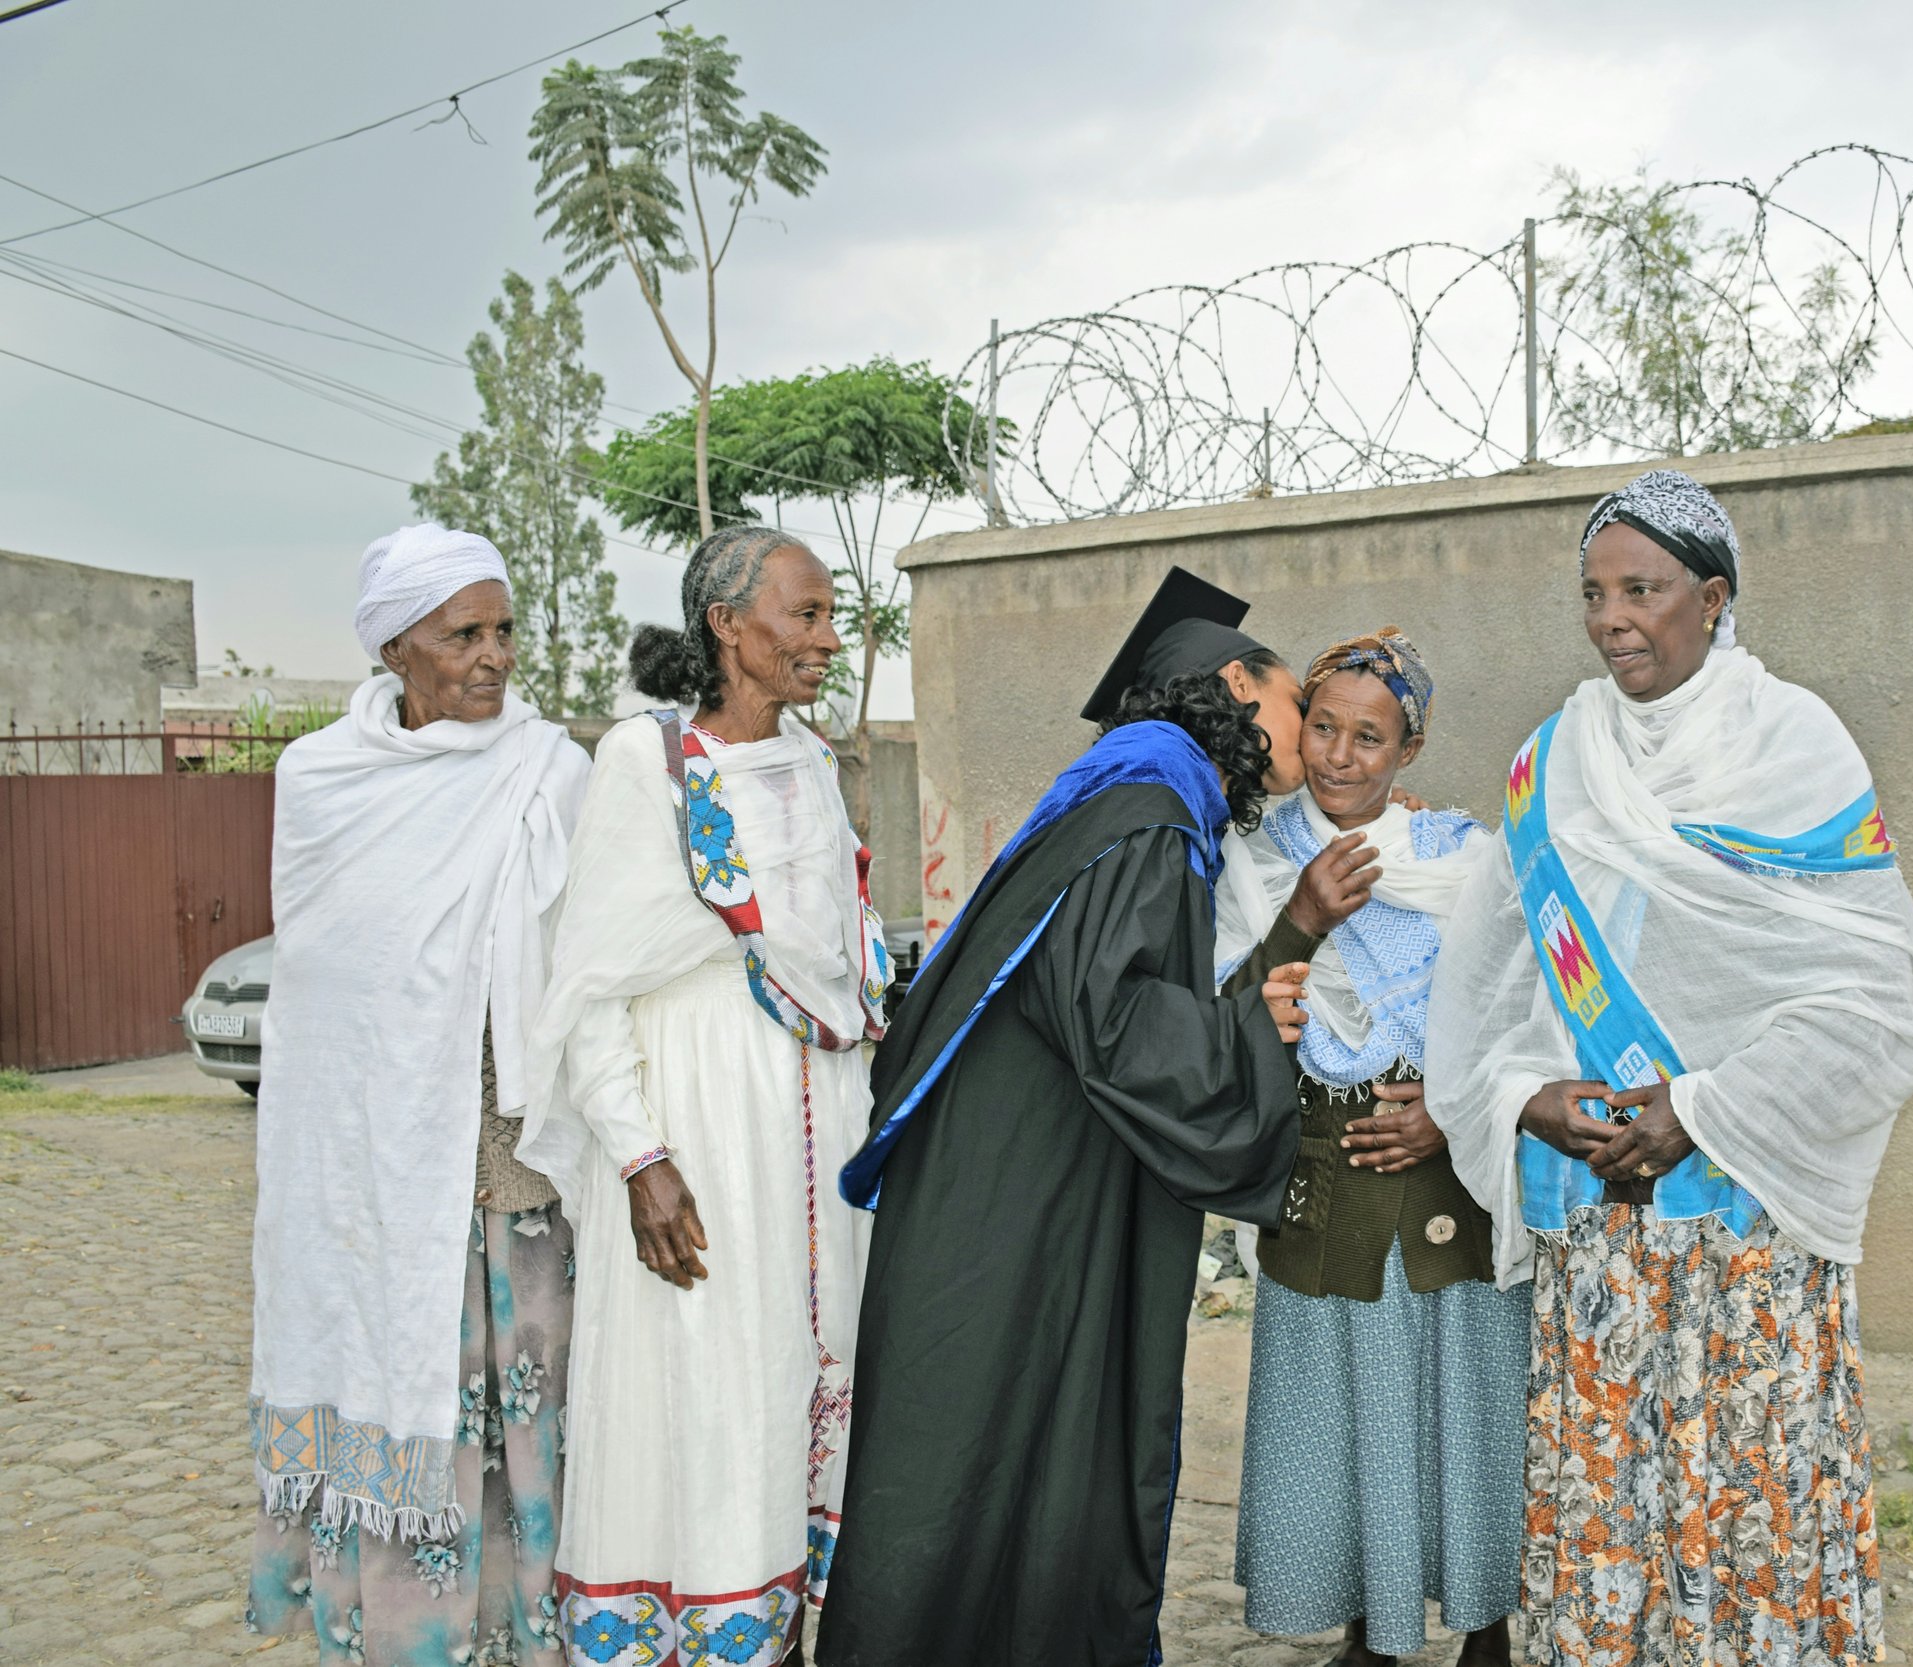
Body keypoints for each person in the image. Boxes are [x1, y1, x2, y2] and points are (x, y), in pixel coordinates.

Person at [1426, 470, 1913, 1667]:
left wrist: (1699, 1110)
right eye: (1594, 593)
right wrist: (1523, 1097)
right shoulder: (1549, 763)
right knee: (1610, 1516)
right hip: (1597, 1232)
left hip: (1743, 1229)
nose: (1613, 618)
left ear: (1711, 599)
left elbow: (1883, 994)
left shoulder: (1795, 748)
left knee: (1743, 1507)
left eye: (1643, 590)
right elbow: (1492, 990)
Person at [817, 567, 1352, 1667]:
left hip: (1022, 1180)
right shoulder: (1149, 807)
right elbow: (1118, 1026)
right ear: (1235, 685)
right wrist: (1266, 986)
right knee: (1004, 1442)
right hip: (1027, 1201)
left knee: (1015, 1443)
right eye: (1297, 699)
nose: (1308, 733)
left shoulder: (1121, 795)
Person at [517, 526, 888, 1666]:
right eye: (807, 613)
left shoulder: (818, 763)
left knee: (794, 1375)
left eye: (832, 615)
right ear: (729, 626)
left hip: (816, 1134)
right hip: (698, 1124)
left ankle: (772, 1633)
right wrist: (637, 1154)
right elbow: (587, 982)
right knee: (703, 1380)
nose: (830, 637)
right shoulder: (647, 761)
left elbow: (834, 953)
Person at [247, 524, 591, 1666]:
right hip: (370, 1178)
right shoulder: (321, 777)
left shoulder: (550, 769)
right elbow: (322, 975)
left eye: (503, 631)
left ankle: (532, 1636)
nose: (493, 656)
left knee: (526, 1415)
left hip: (509, 1168)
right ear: (398, 646)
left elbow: (584, 961)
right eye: (464, 633)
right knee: (400, 1394)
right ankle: (404, 1637)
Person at [1215, 628, 1530, 1667]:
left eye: (1371, 736)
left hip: (1453, 1182)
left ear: (1410, 747)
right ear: (1297, 725)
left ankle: (1487, 1624)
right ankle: (1372, 1631)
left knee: (1471, 1405)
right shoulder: (1255, 857)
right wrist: (1300, 916)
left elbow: (1522, 1012)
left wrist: (1448, 1107)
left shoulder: (1464, 857)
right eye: (1323, 727)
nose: (1341, 755)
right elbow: (1227, 1018)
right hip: (1326, 1183)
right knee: (1351, 1416)